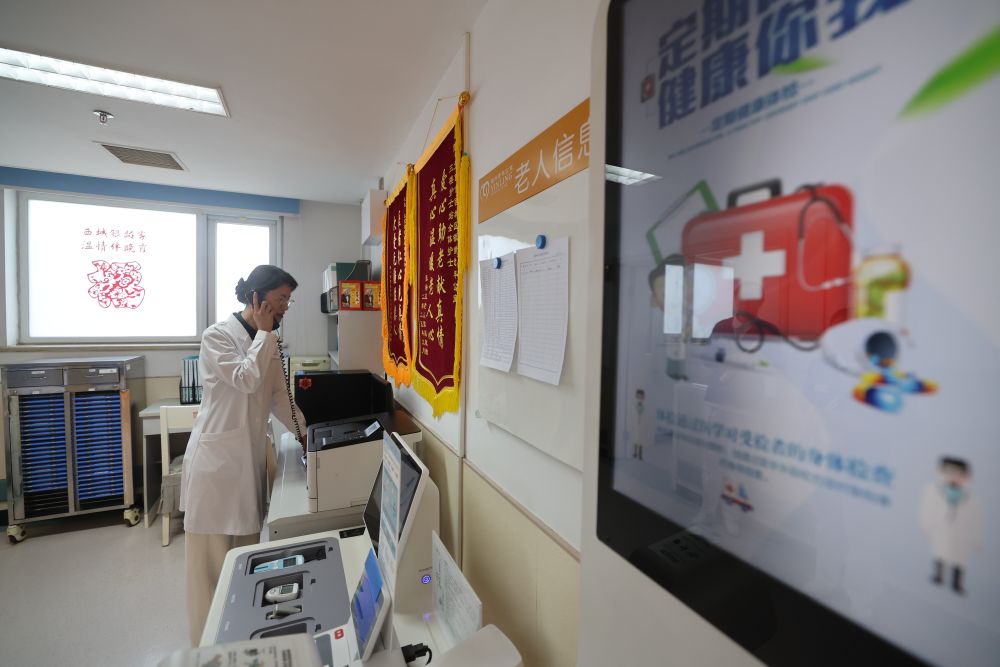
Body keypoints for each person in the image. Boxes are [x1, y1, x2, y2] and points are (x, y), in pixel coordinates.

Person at [179, 265, 306, 645]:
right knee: (209, 574)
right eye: (281, 299)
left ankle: (238, 644)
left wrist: (309, 436)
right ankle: (206, 651)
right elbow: (245, 380)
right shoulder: (217, 336)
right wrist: (265, 336)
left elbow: (279, 399)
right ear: (257, 298)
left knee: (244, 566)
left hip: (246, 467)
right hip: (214, 471)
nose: (285, 307)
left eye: (288, 300)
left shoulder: (268, 342)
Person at [919, 456, 983, 595]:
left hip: (962, 535)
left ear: (967, 477)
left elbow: (977, 521)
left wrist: (977, 540)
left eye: (958, 474)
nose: (953, 477)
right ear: (940, 472)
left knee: (959, 560)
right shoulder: (932, 491)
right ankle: (938, 576)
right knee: (940, 554)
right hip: (941, 531)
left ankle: (957, 583)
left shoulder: (973, 500)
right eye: (949, 473)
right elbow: (927, 509)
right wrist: (926, 524)